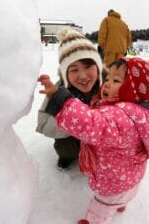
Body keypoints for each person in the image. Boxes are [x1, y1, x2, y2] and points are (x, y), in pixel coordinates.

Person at [38, 57, 149, 224]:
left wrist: (60, 98)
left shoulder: (120, 118)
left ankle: (96, 220)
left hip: (113, 184)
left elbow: (90, 122)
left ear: (135, 89)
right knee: (122, 196)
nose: (107, 83)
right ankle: (121, 204)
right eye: (108, 78)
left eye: (116, 80)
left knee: (101, 208)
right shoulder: (142, 114)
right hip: (131, 180)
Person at [36, 28, 104, 169]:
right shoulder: (59, 91)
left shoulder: (109, 87)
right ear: (65, 74)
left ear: (98, 67)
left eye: (88, 66)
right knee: (65, 147)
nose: (83, 75)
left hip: (101, 137)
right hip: (73, 139)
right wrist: (71, 116)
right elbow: (44, 124)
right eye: (74, 70)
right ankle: (68, 156)